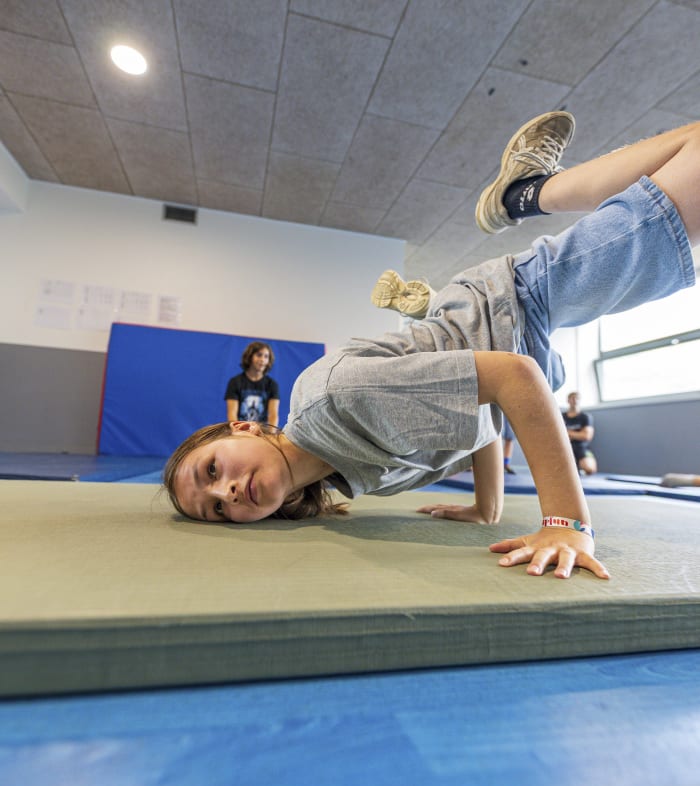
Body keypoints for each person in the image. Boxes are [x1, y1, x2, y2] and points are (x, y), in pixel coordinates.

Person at [165, 110, 698, 581]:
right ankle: (526, 191)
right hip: (518, 328)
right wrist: (487, 506)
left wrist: (567, 525)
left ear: (243, 427)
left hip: (518, 303)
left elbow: (515, 378)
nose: (226, 493)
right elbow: (479, 410)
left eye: (212, 471)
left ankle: (525, 192)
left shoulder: (335, 403)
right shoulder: (351, 472)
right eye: (215, 510)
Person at [224, 341, 280, 427]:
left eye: (266, 356)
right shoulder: (235, 382)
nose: (262, 359)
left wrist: (270, 436)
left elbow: (273, 415)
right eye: (259, 355)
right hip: (240, 431)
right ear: (249, 357)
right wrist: (238, 434)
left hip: (262, 433)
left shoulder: (272, 384)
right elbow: (232, 414)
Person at [563, 392, 597, 475]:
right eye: (572, 398)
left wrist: (568, 433)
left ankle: (579, 468)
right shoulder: (561, 417)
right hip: (565, 448)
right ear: (568, 400)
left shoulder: (585, 417)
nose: (575, 400)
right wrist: (577, 434)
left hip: (581, 448)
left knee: (589, 469)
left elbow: (586, 436)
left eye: (577, 398)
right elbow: (556, 436)